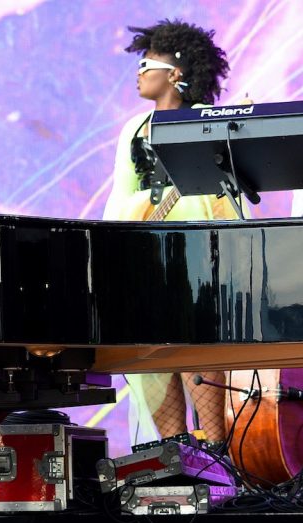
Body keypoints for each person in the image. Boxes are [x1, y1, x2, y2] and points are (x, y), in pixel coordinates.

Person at [102, 19, 241, 446]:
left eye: (147, 63)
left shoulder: (207, 122)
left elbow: (223, 195)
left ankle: (220, 459)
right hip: (145, 258)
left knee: (196, 348)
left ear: (176, 73)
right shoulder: (133, 130)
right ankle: (174, 461)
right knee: (154, 353)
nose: (139, 72)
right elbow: (119, 200)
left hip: (197, 257)